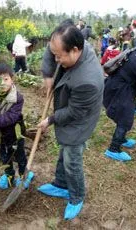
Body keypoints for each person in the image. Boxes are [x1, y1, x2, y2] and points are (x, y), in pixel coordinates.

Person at [37, 23, 104, 220]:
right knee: (64, 149)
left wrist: (50, 119)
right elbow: (51, 52)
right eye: (55, 55)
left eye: (60, 57)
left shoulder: (87, 80)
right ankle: (60, 183)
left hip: (80, 119)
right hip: (72, 108)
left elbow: (74, 112)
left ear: (75, 50)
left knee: (72, 158)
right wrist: (48, 75)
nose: (56, 59)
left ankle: (76, 196)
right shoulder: (74, 44)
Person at [0, 61, 34, 189]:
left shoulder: (17, 98)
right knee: (4, 157)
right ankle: (9, 175)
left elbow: (10, 118)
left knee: (19, 156)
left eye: (5, 79)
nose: (2, 83)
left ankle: (23, 175)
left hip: (15, 135)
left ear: (12, 79)